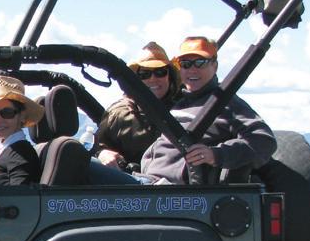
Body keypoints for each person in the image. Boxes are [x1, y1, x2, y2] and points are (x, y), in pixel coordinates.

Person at [140, 36, 276, 184]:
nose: (192, 70)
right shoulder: (181, 102)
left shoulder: (225, 103)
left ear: (215, 66)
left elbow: (264, 141)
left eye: (200, 62)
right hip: (147, 181)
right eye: (185, 64)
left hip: (169, 188)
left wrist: (216, 154)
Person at [94, 41, 179, 171]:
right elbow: (96, 147)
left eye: (160, 72)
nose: (153, 79)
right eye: (145, 74)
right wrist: (103, 154)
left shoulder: (185, 109)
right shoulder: (118, 113)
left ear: (170, 76)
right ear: (136, 79)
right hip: (131, 182)